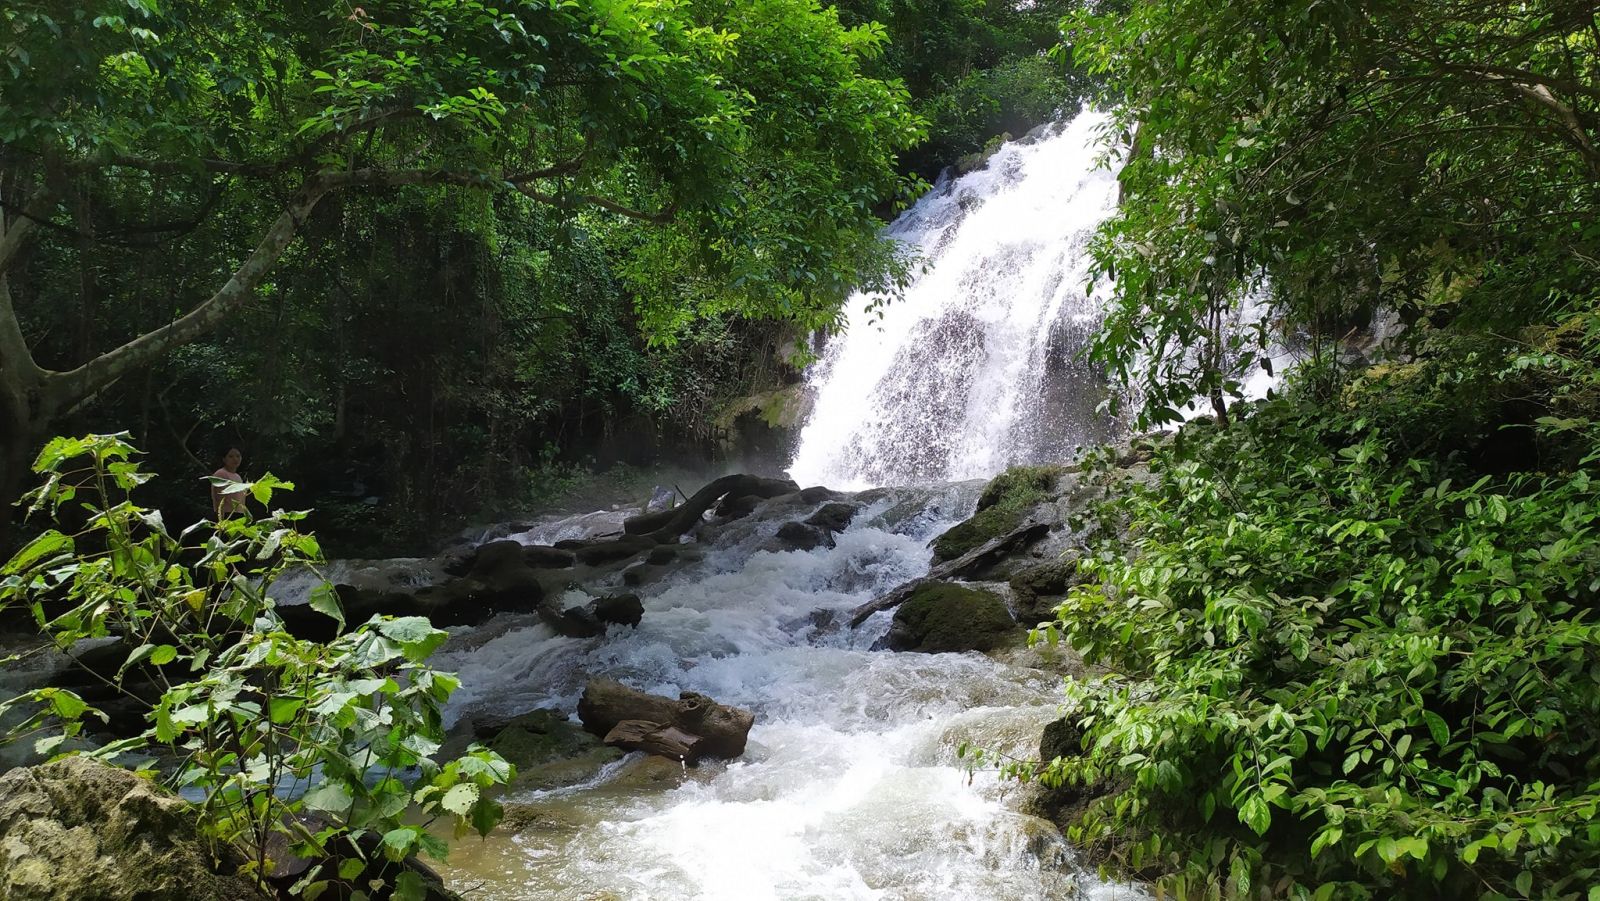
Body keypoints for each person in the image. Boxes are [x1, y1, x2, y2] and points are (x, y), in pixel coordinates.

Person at [210, 446, 247, 520]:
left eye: (238, 456)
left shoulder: (238, 477)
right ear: (224, 459)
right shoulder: (220, 474)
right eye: (231, 456)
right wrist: (221, 519)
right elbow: (219, 499)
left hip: (239, 515)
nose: (235, 459)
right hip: (226, 515)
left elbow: (242, 500)